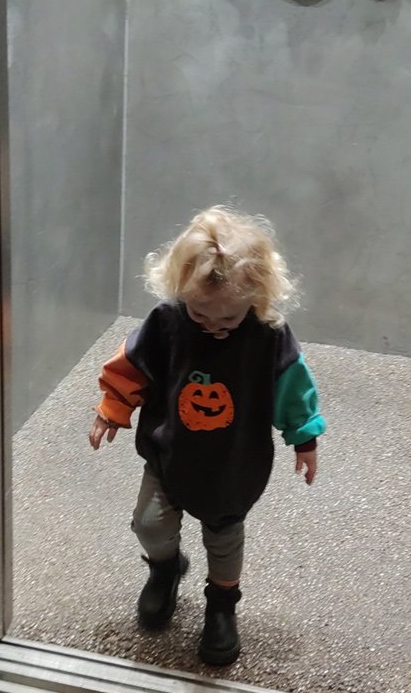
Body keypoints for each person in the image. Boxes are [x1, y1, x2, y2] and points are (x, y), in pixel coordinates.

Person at [90, 206, 326, 666]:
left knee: (224, 539)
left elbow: (294, 390)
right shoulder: (168, 321)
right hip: (171, 451)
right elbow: (131, 366)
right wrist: (113, 410)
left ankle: (221, 606)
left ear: (257, 298)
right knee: (149, 524)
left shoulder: (267, 335)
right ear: (181, 289)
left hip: (232, 463)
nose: (212, 326)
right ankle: (165, 570)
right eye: (199, 313)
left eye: (228, 319)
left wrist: (305, 439)